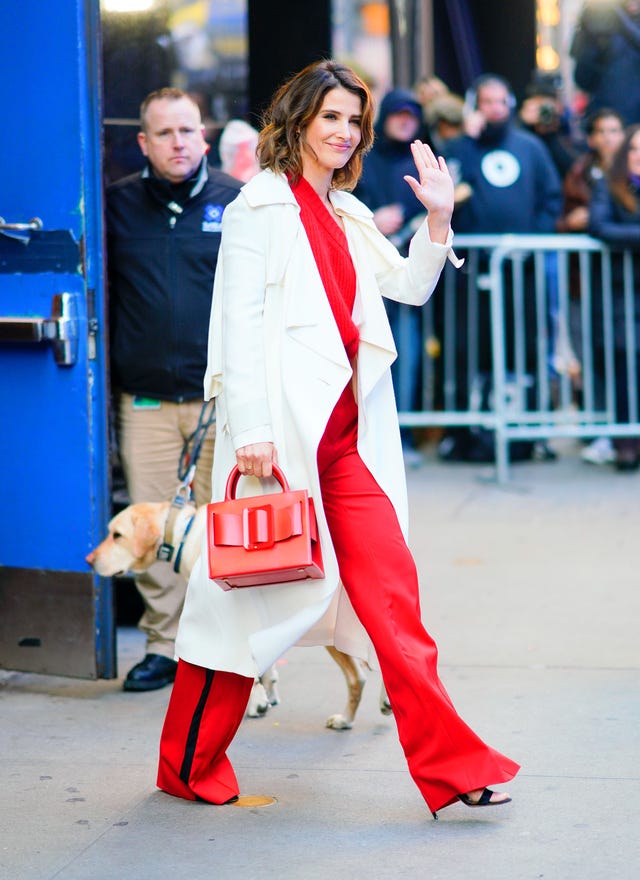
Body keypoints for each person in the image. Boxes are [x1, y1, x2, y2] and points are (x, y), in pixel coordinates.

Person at [156, 60, 519, 818]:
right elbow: (238, 323)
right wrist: (251, 430)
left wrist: (440, 218)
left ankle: (452, 769)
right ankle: (187, 763)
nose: (345, 132)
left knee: (396, 607)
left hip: (348, 451)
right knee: (239, 613)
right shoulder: (260, 205)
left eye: (354, 119)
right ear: (297, 121)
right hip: (282, 443)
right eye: (332, 117)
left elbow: (411, 285)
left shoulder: (348, 213)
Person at [106, 88, 242, 691]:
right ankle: (163, 646)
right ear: (143, 143)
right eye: (164, 133)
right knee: (151, 532)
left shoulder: (235, 205)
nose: (178, 143)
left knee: (217, 532)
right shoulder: (115, 208)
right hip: (146, 403)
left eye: (187, 130)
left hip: (218, 400)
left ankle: (217, 648)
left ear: (205, 136)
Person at [439, 74, 563, 463]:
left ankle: (529, 433)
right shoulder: (458, 148)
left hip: (521, 273)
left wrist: (532, 240)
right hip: (469, 273)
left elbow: (551, 198)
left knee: (525, 350)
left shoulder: (530, 147)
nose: (495, 109)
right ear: (475, 106)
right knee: (467, 351)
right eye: (486, 102)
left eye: (500, 101)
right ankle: (462, 434)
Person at [353, 88, 431, 466]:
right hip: (365, 278)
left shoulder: (424, 160)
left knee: (407, 354)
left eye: (411, 115)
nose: (404, 120)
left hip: (409, 281)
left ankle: (403, 436)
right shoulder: (362, 160)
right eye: (398, 114)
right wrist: (373, 220)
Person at [557, 108, 626, 466]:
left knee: (624, 358)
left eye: (615, 130)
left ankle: (623, 432)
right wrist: (573, 222)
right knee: (593, 355)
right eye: (602, 131)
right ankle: (600, 428)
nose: (609, 137)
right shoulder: (581, 171)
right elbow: (562, 215)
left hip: (623, 281)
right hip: (584, 280)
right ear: (593, 136)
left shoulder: (627, 173)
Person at [588, 123, 640, 470]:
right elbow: (600, 226)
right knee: (626, 365)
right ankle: (626, 442)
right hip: (623, 292)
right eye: (634, 148)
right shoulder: (609, 184)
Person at [571, 0, 640, 126]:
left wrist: (619, 19)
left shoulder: (626, 26)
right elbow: (582, 79)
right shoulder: (601, 28)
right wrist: (588, 33)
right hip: (604, 118)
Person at [217, 118, 260, 182]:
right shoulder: (222, 183)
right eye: (236, 149)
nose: (245, 155)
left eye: (249, 146)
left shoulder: (266, 178)